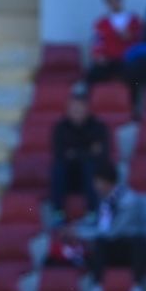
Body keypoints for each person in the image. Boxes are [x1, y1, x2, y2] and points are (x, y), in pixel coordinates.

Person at [73, 159, 146, 291]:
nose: (94, 186)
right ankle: (97, 286)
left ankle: (137, 286)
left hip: (131, 246)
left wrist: (79, 233)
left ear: (105, 182)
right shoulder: (105, 200)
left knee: (138, 243)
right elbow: (100, 224)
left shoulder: (128, 200)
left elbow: (113, 231)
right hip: (114, 245)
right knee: (98, 245)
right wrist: (76, 227)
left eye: (97, 182)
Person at [50, 84, 111, 225]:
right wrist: (88, 151)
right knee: (58, 168)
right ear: (67, 109)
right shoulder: (60, 128)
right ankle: (58, 213)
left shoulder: (98, 127)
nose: (76, 111)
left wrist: (74, 153)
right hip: (69, 177)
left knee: (89, 166)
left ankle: (92, 212)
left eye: (80, 107)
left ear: (87, 108)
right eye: (73, 107)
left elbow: (102, 155)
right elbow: (59, 154)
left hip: (91, 176)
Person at [85, 0, 144, 99]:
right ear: (106, 1)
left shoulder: (134, 20)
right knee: (92, 75)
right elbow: (97, 43)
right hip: (108, 61)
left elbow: (142, 40)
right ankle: (90, 105)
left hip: (127, 61)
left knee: (135, 75)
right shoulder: (101, 23)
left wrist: (131, 37)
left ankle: (133, 106)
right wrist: (98, 56)